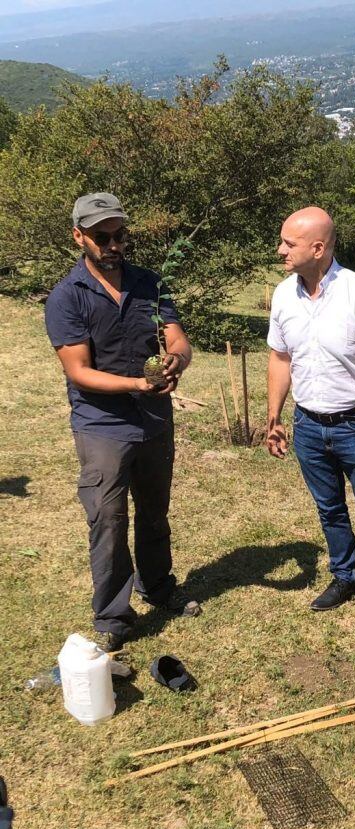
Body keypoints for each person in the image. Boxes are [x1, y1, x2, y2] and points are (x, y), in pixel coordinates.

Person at [44, 192, 199, 652]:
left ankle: (159, 587)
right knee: (108, 519)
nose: (113, 244)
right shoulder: (66, 298)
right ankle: (114, 615)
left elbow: (179, 341)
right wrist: (135, 384)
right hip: (102, 426)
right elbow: (79, 371)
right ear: (79, 237)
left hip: (154, 421)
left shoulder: (150, 284)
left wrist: (175, 362)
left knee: (154, 512)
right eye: (101, 236)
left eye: (120, 234)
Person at [266, 207, 355, 629]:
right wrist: (274, 416)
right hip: (307, 424)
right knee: (329, 508)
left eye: (289, 243)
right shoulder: (283, 295)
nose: (281, 250)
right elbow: (280, 356)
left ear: (318, 248)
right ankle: (344, 575)